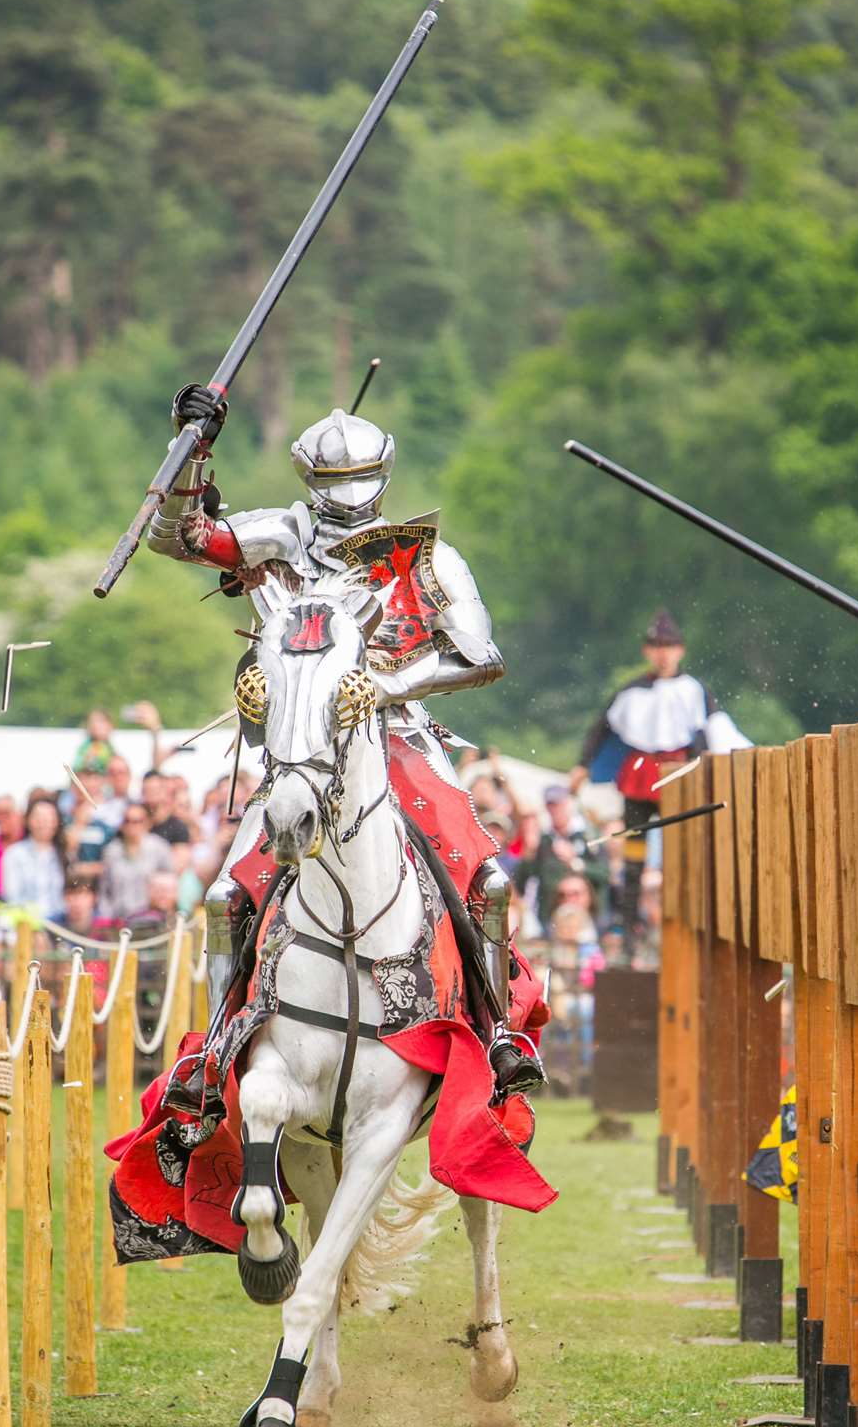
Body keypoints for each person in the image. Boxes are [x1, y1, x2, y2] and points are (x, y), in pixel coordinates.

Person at [146, 388, 539, 1099]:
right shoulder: (281, 536)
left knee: (486, 877)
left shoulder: (426, 557)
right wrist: (192, 450)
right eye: (332, 484)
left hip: (399, 738)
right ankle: (214, 1051)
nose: (349, 496)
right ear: (309, 481)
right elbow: (177, 536)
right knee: (224, 895)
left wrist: (383, 687)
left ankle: (495, 1033)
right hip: (301, 744)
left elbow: (482, 656)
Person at [572, 607, 749, 959]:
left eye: (669, 646)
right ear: (647, 651)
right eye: (657, 645)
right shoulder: (632, 690)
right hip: (639, 777)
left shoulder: (695, 690)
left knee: (687, 857)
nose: (663, 652)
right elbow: (601, 728)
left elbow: (714, 730)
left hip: (681, 777)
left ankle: (690, 934)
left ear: (680, 650)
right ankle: (629, 940)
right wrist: (582, 766)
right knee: (634, 857)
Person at [512, 786, 608, 933]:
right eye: (550, 805)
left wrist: (575, 862)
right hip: (550, 923)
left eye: (558, 804)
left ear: (568, 804)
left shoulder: (589, 835)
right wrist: (529, 851)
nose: (554, 810)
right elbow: (521, 884)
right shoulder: (543, 841)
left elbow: (604, 875)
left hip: (588, 921)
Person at [98, 801, 174, 921]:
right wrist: (105, 918)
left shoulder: (159, 848)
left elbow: (170, 884)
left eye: (137, 821)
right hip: (118, 920)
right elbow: (105, 889)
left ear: (147, 823)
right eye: (127, 821)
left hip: (151, 919)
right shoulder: (112, 851)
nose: (131, 826)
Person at [1, 797, 66, 920]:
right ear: (28, 820)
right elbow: (12, 897)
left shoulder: (64, 854)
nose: (44, 822)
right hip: (26, 923)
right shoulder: (14, 854)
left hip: (60, 924)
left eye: (49, 817)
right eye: (39, 817)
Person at [72, 709, 116, 776]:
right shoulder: (86, 748)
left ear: (110, 725)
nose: (95, 725)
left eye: (101, 721)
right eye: (92, 722)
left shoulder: (110, 747)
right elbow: (77, 768)